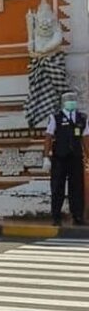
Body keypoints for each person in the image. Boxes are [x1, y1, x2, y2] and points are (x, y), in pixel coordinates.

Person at [44, 91, 87, 226]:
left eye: (73, 99)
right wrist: (46, 157)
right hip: (59, 157)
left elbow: (86, 138)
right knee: (57, 187)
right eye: (68, 99)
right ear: (63, 102)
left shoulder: (82, 118)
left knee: (77, 187)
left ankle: (77, 216)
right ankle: (56, 217)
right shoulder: (55, 117)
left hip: (75, 157)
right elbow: (48, 137)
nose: (71, 102)